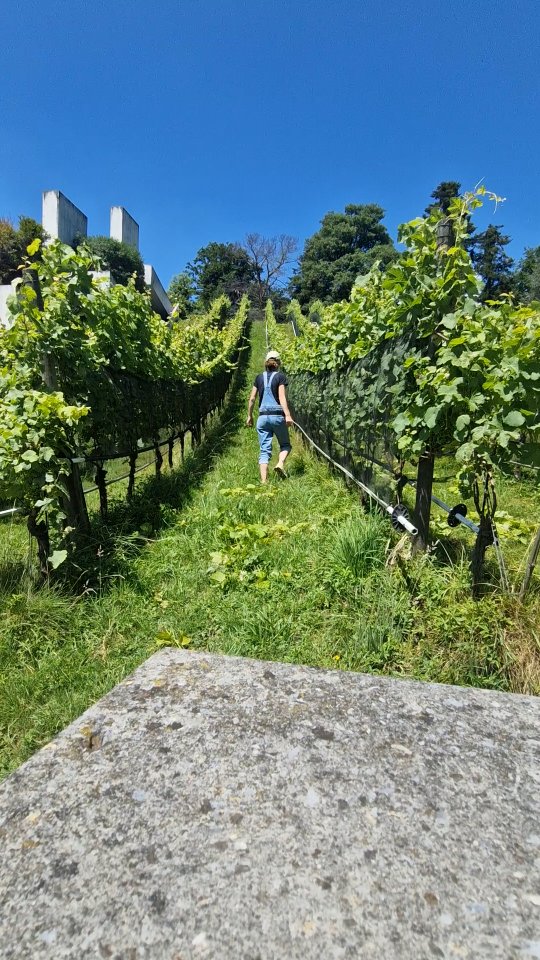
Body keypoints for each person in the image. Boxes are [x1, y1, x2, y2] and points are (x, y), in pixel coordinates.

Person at [246, 350, 293, 483]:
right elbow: (282, 397)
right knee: (285, 445)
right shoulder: (280, 377)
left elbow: (252, 399)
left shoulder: (258, 377)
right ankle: (280, 464)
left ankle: (264, 482)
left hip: (262, 417)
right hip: (277, 416)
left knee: (264, 450)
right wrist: (288, 415)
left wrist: (249, 415)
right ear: (278, 363)